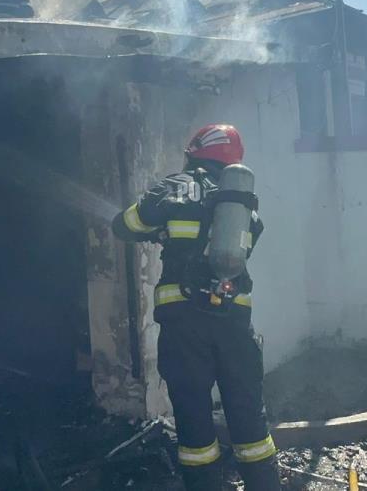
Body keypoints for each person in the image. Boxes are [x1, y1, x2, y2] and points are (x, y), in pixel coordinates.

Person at [112, 124, 280, 491]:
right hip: (235, 324)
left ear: (195, 152)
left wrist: (160, 231)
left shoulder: (173, 188)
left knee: (194, 419)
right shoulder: (243, 206)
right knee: (249, 418)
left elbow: (124, 225)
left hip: (184, 322)